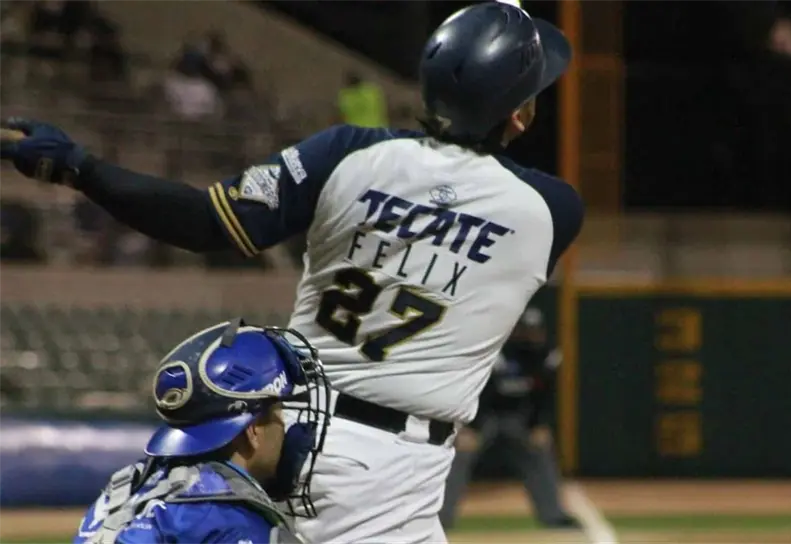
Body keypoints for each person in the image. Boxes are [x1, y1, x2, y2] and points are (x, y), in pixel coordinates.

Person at [0, 2, 582, 542]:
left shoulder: (347, 153)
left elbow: (205, 222)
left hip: (281, 425)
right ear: (519, 113)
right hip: (390, 465)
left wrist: (79, 167)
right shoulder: (551, 209)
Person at [73, 319, 331, 544]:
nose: (284, 427)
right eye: (278, 413)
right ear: (252, 430)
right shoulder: (231, 518)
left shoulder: (125, 488)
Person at [440, 306, 577, 530]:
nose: (530, 335)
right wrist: (471, 428)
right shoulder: (497, 350)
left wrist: (539, 424)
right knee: (459, 456)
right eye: (525, 330)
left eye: (534, 330)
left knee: (541, 453)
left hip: (521, 418)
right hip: (486, 417)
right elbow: (480, 390)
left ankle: (553, 516)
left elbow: (545, 393)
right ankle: (441, 518)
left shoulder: (548, 354)